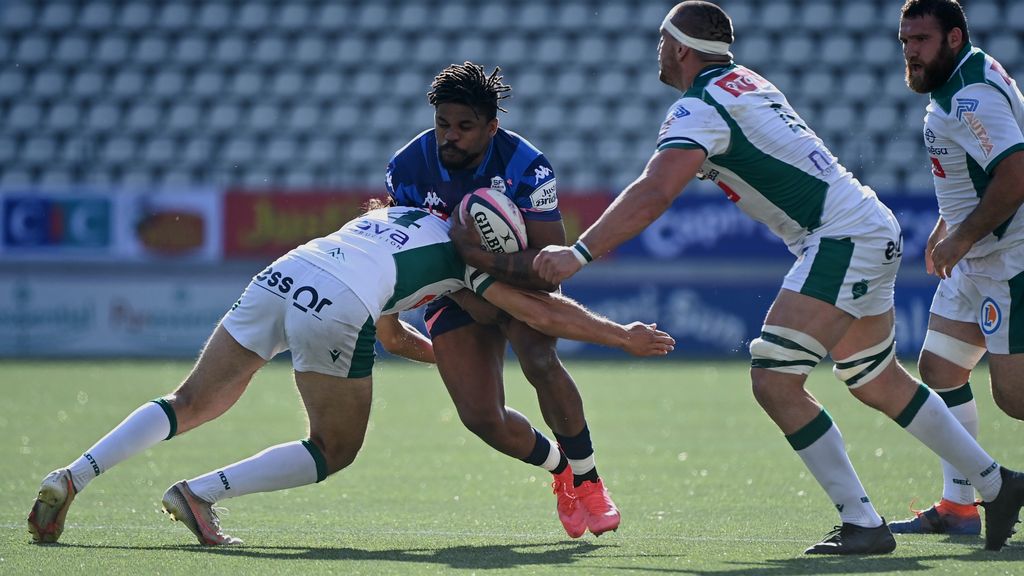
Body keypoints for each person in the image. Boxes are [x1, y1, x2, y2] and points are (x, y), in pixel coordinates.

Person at [527, 0, 1024, 554]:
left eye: (662, 42)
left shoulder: (700, 107)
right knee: (874, 379)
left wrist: (580, 252)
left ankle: (864, 521)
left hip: (841, 236)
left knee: (774, 377)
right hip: (860, 224)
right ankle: (995, 484)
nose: (658, 53)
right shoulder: (743, 82)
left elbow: (655, 189)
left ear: (681, 48)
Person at [27, 204, 675, 545]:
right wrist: (622, 336)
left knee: (190, 401)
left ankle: (72, 476)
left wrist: (438, 360)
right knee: (332, 448)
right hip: (334, 303)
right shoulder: (469, 263)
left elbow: (393, 333)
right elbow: (538, 309)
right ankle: (199, 495)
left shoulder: (393, 216)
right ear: (487, 239)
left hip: (284, 272)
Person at [385, 61, 621, 538]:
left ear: (492, 127)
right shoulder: (406, 168)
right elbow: (405, 244)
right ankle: (562, 471)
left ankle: (590, 479)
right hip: (450, 288)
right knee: (480, 418)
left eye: (465, 127)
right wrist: (466, 284)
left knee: (538, 360)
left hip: (518, 280)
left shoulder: (526, 166)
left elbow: (548, 265)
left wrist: (483, 266)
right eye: (443, 125)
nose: (450, 136)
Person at [887, 0, 1024, 536]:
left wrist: (963, 234)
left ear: (953, 37)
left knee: (1015, 399)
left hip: (1008, 258)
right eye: (904, 42)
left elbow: (1015, 175)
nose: (910, 52)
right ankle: (959, 506)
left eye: (920, 40)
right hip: (977, 253)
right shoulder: (961, 79)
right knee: (942, 369)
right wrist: (950, 227)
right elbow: (975, 171)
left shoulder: (969, 97)